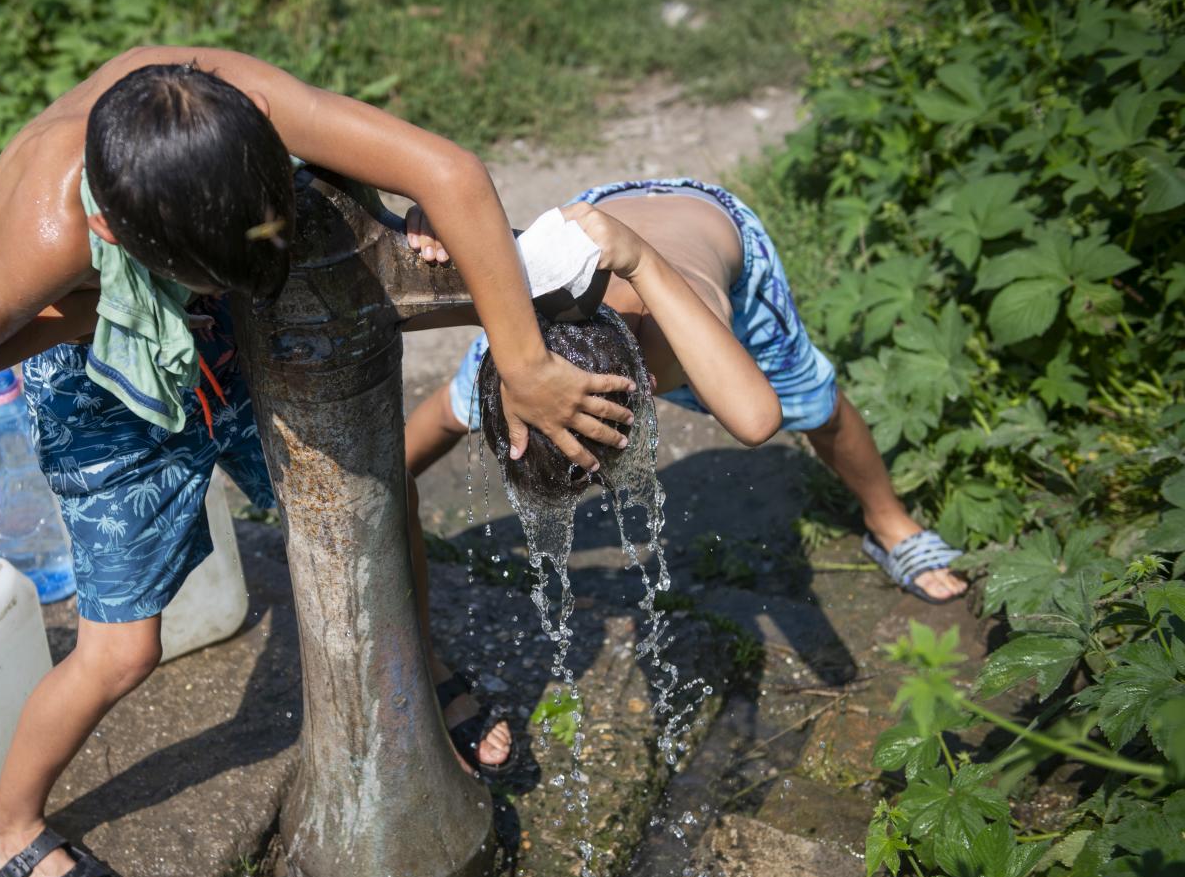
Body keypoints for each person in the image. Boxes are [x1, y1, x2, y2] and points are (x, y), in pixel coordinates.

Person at [0, 48, 635, 877]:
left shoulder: (241, 103)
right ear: (113, 238)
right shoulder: (54, 239)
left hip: (213, 303)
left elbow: (451, 173)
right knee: (122, 652)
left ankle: (416, 673)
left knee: (376, 492)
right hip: (101, 375)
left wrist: (523, 361)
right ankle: (7, 825)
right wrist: (93, 313)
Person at [402, 179, 968, 603]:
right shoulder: (516, 309)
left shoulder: (686, 327)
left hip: (702, 237)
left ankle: (890, 522)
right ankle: (395, 479)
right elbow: (404, 301)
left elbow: (755, 418)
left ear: (645, 391)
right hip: (584, 243)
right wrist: (434, 239)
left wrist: (640, 258)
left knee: (817, 407)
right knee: (456, 408)